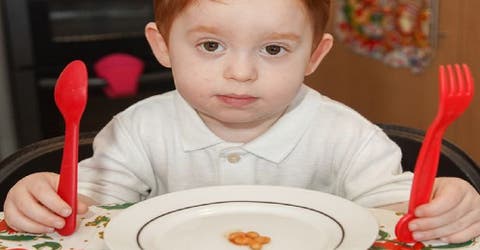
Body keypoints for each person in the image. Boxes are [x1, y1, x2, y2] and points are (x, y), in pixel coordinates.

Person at [4, 0, 480, 243]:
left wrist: (445, 206)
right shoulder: (138, 129)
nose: (241, 72)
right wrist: (46, 198)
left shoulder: (346, 133)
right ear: (163, 45)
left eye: (274, 49)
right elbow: (88, 207)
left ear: (315, 55)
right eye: (211, 45)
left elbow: (399, 210)